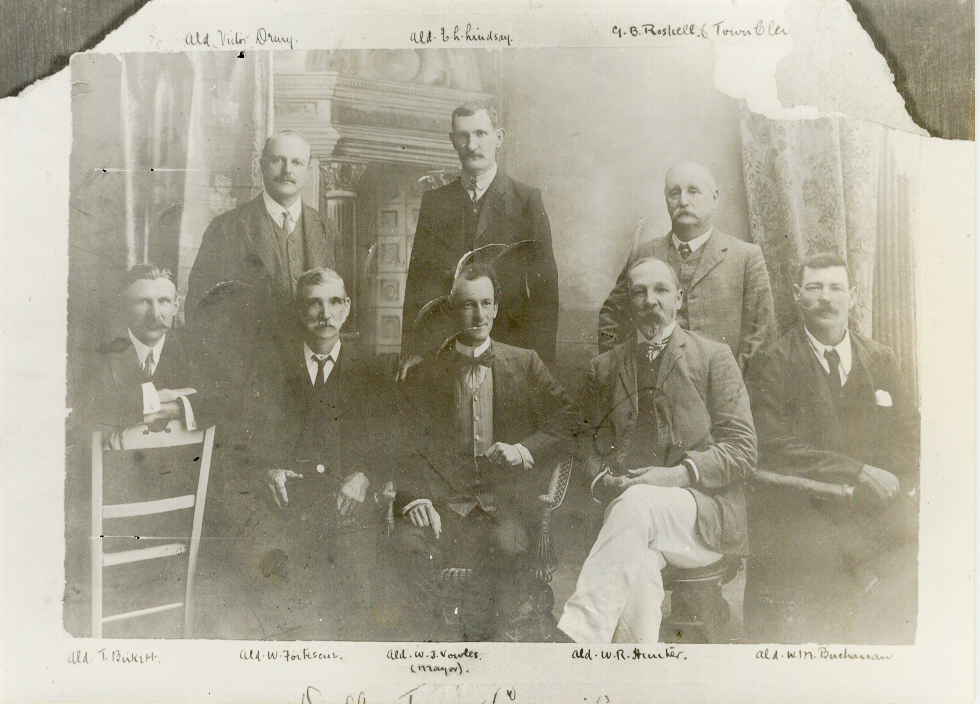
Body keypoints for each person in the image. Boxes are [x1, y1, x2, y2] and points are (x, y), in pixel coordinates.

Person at [557, 257, 755, 643]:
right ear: (629, 302)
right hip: (632, 524)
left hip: (701, 517)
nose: (650, 300)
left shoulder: (714, 357)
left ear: (679, 299)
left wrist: (677, 475)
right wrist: (602, 476)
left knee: (638, 503)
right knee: (639, 566)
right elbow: (584, 442)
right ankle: (638, 673)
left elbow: (744, 449)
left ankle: (577, 637)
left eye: (661, 290)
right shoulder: (605, 366)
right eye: (639, 292)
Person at [392, 264, 576, 641]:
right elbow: (400, 446)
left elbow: (572, 421)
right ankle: (429, 654)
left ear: (495, 308)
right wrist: (415, 498)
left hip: (504, 507)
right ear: (451, 310)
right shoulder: (425, 373)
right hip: (444, 509)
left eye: (486, 304)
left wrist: (524, 449)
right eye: (467, 305)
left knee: (506, 551)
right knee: (405, 548)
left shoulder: (524, 362)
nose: (478, 315)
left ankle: (488, 652)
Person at [744, 253, 919, 644]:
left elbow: (910, 436)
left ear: (852, 296)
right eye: (815, 287)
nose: (826, 297)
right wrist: (856, 472)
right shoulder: (772, 362)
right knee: (822, 577)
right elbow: (772, 445)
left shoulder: (881, 358)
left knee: (921, 550)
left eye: (836, 288)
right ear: (797, 295)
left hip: (873, 505)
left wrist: (884, 484)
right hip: (804, 506)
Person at [226, 267, 396, 640]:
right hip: (286, 508)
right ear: (300, 312)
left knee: (356, 612)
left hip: (348, 507)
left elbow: (393, 442)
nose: (326, 313)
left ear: (347, 307)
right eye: (314, 304)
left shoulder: (371, 368)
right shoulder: (270, 367)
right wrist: (266, 471)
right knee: (280, 609)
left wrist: (365, 475)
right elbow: (242, 443)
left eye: (335, 302)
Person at [398, 102, 559, 378]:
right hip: (447, 351)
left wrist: (540, 362)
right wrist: (412, 350)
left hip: (511, 349)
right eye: (463, 136)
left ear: (499, 138)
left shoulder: (525, 200)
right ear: (453, 141)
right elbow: (418, 283)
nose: (472, 145)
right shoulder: (434, 202)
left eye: (481, 134)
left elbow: (545, 291)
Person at [597, 161, 775, 374]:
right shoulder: (643, 253)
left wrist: (731, 390)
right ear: (666, 200)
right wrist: (622, 374)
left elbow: (760, 337)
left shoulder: (746, 257)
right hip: (652, 390)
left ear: (714, 199)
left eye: (693, 191)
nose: (683, 201)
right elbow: (611, 317)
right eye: (674, 193)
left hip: (718, 393)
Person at [184, 131, 340, 326]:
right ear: (262, 166)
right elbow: (200, 307)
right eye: (278, 160)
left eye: (297, 163)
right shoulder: (226, 227)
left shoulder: (327, 229)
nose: (287, 171)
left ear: (308, 171)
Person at [77, 264, 228, 431]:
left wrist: (168, 408)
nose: (155, 314)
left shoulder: (191, 347)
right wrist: (158, 396)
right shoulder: (101, 349)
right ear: (123, 305)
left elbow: (227, 396)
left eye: (164, 301)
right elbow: (84, 404)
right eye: (143, 301)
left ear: (176, 307)